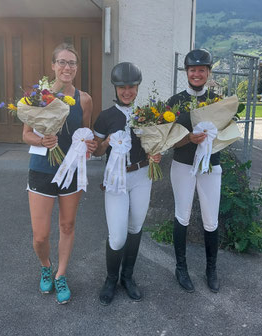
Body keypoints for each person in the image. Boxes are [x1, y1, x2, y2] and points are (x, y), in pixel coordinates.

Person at [22, 43, 97, 304]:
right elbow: (26, 135)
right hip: (42, 169)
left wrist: (90, 145)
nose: (67, 67)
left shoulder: (84, 99)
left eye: (72, 63)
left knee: (67, 225)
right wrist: (42, 142)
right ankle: (46, 265)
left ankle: (61, 274)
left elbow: (85, 134)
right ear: (53, 66)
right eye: (62, 62)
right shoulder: (38, 96)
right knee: (40, 235)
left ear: (77, 68)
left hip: (72, 172)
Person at [92, 62, 161, 305]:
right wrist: (105, 142)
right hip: (116, 179)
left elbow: (155, 143)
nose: (127, 91)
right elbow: (97, 151)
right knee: (118, 236)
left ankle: (127, 277)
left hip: (142, 176)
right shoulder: (105, 117)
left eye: (131, 86)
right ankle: (111, 279)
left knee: (135, 227)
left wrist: (156, 153)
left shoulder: (147, 114)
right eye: (122, 87)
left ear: (138, 87)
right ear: (115, 87)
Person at [167, 48, 221, 294]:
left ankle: (211, 269)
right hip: (183, 165)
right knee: (182, 216)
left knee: (211, 219)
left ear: (208, 73)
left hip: (211, 166)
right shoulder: (174, 102)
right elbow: (169, 142)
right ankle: (181, 268)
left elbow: (225, 137)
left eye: (201, 70)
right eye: (192, 70)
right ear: (186, 72)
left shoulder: (218, 102)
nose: (197, 74)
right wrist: (188, 138)